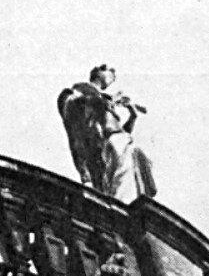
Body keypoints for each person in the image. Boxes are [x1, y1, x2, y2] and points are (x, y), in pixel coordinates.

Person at [57, 65, 157, 202]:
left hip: (118, 143)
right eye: (109, 71)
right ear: (99, 72)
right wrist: (104, 101)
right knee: (122, 179)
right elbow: (73, 109)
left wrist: (132, 116)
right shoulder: (79, 91)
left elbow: (118, 131)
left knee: (134, 166)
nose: (113, 75)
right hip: (106, 147)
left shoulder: (103, 99)